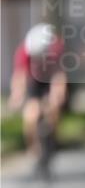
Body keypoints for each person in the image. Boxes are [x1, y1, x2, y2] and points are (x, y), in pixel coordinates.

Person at [8, 23, 67, 178]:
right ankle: (34, 150)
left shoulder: (56, 50)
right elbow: (19, 77)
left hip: (49, 80)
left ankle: (53, 138)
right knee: (31, 116)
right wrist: (16, 96)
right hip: (34, 81)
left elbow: (59, 77)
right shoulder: (24, 52)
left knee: (53, 109)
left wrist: (57, 96)